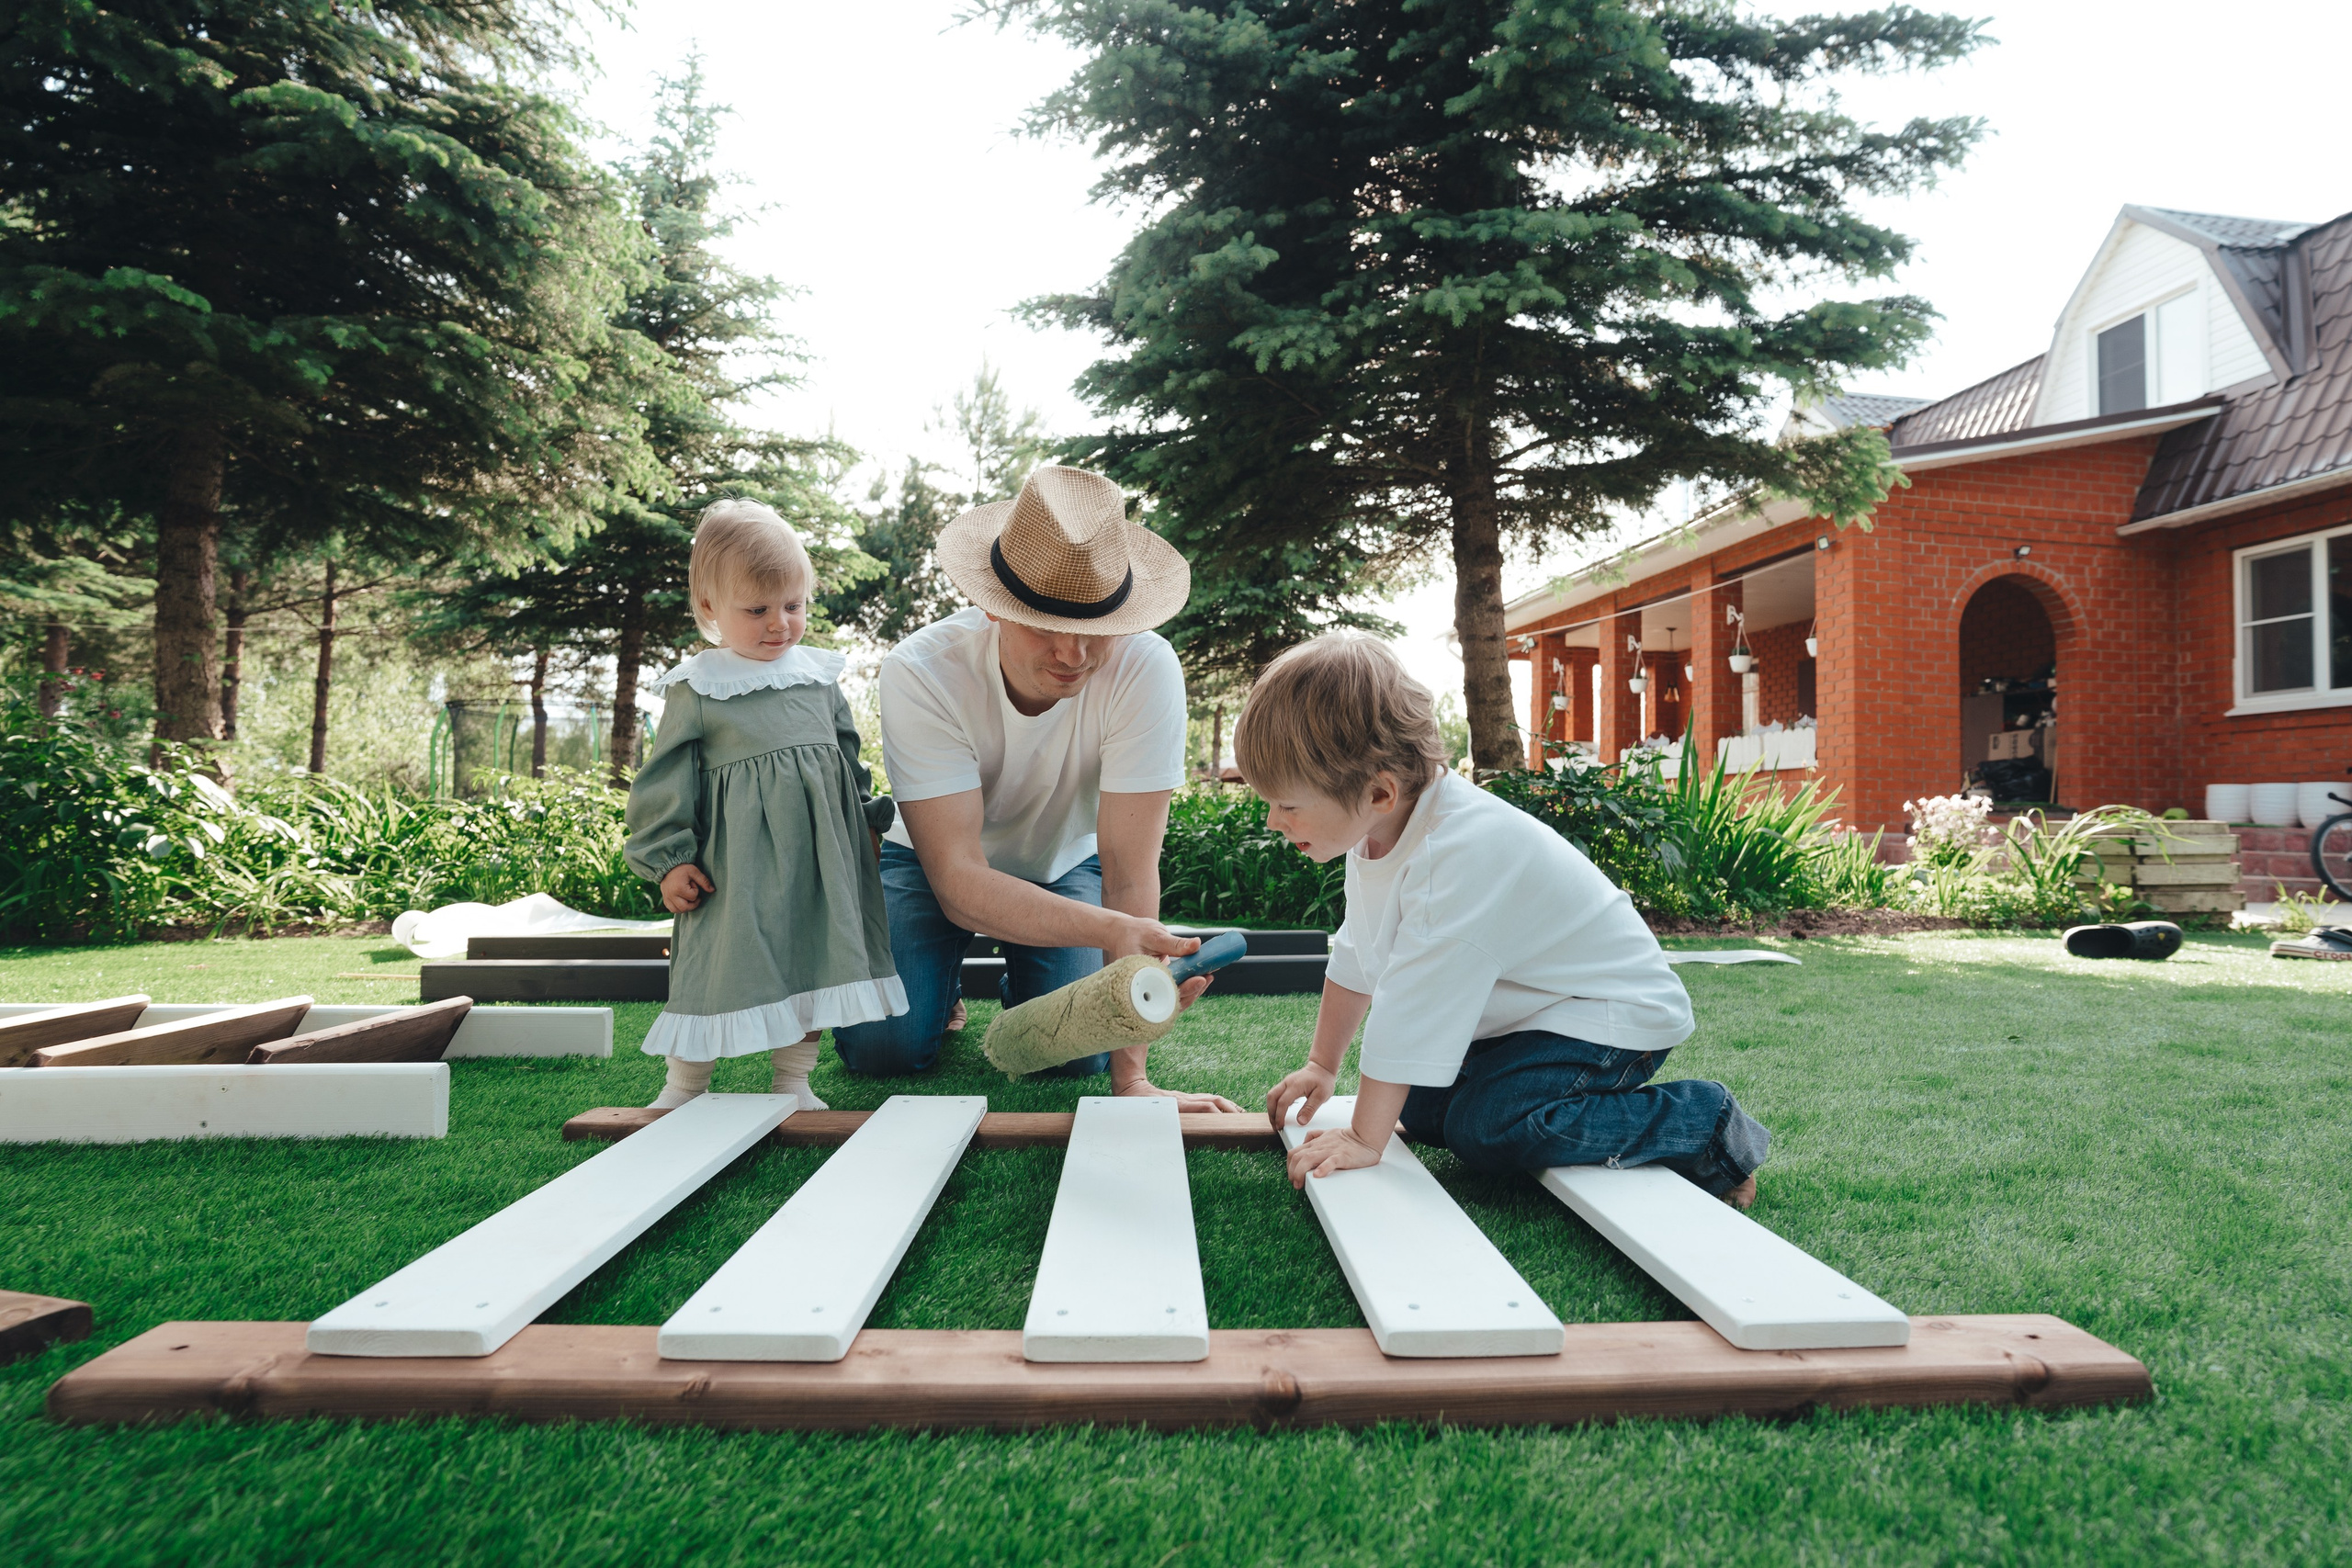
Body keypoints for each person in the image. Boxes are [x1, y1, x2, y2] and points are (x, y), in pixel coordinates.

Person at [1245, 632, 1768, 1207]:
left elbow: (1413, 1004)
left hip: (1607, 1013)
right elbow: (1357, 954)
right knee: (1420, 1104)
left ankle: (1705, 1125)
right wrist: (1323, 1064)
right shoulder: (1375, 834)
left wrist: (1365, 1138)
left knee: (1487, 1128)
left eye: (1287, 806)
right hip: (1538, 1013)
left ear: (1379, 793)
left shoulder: (1455, 854)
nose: (1273, 822)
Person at [831, 465, 1241, 1111]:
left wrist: (1130, 1075)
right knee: (883, 1048)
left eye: (1093, 627)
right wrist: (1116, 932)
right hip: (932, 867)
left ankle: (1028, 977)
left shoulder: (1147, 669)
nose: (1073, 653)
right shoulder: (921, 670)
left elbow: (1130, 875)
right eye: (1045, 623)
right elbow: (961, 882)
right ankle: (943, 988)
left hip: (1063, 867)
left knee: (1079, 1051)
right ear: (995, 606)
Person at [623, 499, 905, 1110]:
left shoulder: (818, 678)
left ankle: (794, 1081)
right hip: (733, 867)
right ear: (709, 609)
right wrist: (669, 858)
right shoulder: (700, 687)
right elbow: (664, 780)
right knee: (714, 965)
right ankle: (684, 1084)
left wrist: (866, 820)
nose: (779, 623)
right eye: (757, 609)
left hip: (819, 862)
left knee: (815, 957)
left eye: (793, 605)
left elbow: (846, 758)